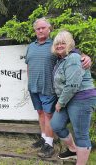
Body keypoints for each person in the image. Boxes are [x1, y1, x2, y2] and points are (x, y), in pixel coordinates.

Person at [25, 17, 91, 158]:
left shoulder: (55, 44)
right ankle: (44, 138)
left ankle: (49, 145)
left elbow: (73, 53)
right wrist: (29, 82)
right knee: (40, 113)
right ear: (35, 31)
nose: (41, 30)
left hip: (49, 88)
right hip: (33, 87)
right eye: (38, 28)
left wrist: (86, 57)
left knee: (49, 115)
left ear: (49, 29)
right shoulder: (30, 46)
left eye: (43, 27)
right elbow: (28, 65)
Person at [50, 31, 96, 164]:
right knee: (56, 124)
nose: (59, 46)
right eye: (57, 43)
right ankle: (73, 150)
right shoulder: (61, 59)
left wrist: (60, 103)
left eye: (63, 43)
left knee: (81, 135)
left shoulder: (73, 58)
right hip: (68, 99)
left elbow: (72, 85)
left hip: (81, 98)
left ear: (70, 44)